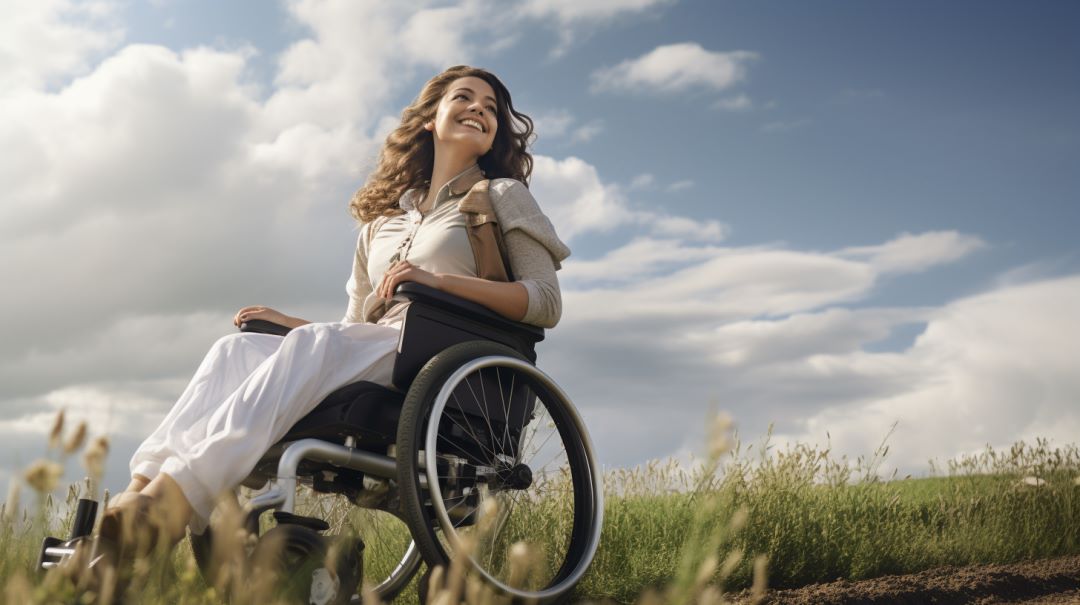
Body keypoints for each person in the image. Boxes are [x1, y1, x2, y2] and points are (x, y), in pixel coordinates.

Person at [94, 65, 570, 566]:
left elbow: (544, 301)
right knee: (235, 349)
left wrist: (437, 281)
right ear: (431, 118)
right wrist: (289, 324)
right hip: (381, 348)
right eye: (465, 98)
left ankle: (171, 504)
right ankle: (139, 495)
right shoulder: (382, 226)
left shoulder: (500, 197)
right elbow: (349, 331)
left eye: (491, 107)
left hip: (445, 356)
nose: (479, 109)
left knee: (315, 344)